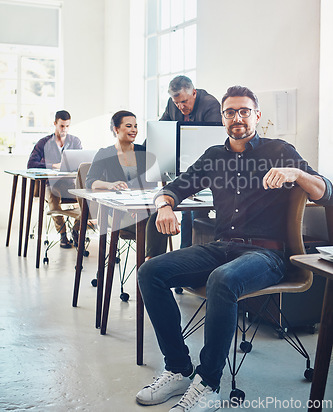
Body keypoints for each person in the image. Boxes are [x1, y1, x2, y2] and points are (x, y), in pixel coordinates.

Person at [136, 85, 333, 412]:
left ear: (256, 115)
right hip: (222, 246)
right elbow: (174, 188)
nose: (237, 118)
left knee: (222, 280)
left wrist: (296, 173)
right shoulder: (214, 156)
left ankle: (208, 384)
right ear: (223, 118)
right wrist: (164, 206)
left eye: (244, 111)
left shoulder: (280, 151)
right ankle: (179, 368)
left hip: (267, 256)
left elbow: (326, 192)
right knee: (150, 272)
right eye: (230, 112)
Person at [85, 110, 167, 255]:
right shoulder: (105, 153)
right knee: (156, 223)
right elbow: (90, 181)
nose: (134, 130)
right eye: (129, 126)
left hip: (143, 208)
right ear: (116, 129)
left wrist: (141, 207)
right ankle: (151, 266)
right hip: (116, 212)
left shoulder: (144, 151)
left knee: (158, 218)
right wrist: (109, 185)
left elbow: (152, 183)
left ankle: (149, 264)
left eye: (135, 126)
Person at [159, 75, 222, 255]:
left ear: (194, 93)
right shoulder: (173, 104)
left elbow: (211, 145)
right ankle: (184, 254)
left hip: (207, 166)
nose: (181, 107)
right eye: (177, 103)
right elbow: (162, 129)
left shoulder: (210, 105)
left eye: (184, 101)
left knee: (193, 212)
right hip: (184, 164)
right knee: (184, 208)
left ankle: (189, 254)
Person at [27, 110, 82, 248]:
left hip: (69, 184)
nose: (64, 129)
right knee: (53, 195)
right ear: (55, 124)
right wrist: (53, 166)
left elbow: (81, 162)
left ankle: (76, 230)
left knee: (87, 198)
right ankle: (63, 234)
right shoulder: (44, 143)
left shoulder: (75, 141)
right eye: (62, 126)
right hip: (50, 185)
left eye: (67, 126)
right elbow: (31, 164)